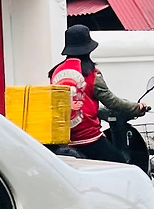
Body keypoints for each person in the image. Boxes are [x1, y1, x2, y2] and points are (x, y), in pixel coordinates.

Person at [49, 23, 145, 160]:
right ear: (89, 49)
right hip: (87, 138)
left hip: (63, 136)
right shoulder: (92, 74)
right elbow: (112, 102)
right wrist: (136, 108)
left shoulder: (55, 72)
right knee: (120, 163)